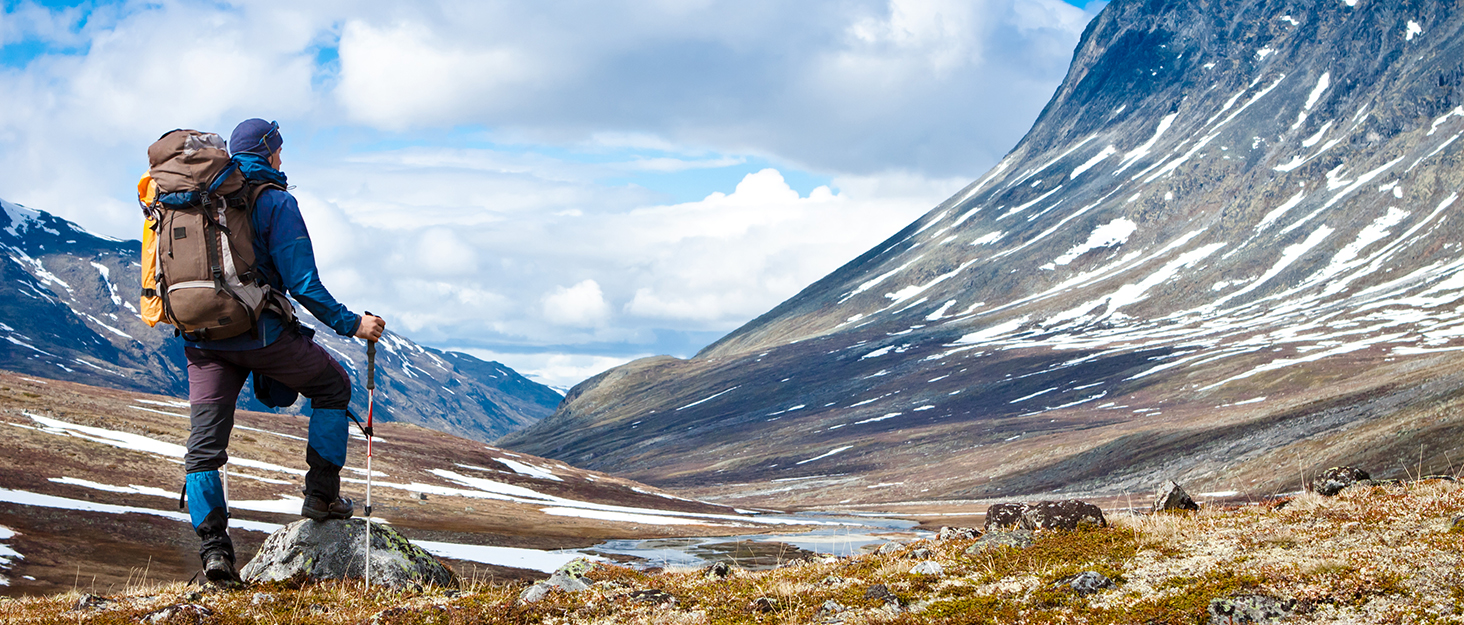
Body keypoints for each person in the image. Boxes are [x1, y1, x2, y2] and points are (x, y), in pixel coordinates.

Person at [182, 118, 386, 583]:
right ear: (268, 151)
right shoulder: (275, 201)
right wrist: (353, 324)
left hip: (203, 340)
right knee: (333, 386)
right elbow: (303, 283)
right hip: (262, 335)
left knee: (204, 450)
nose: (282, 158)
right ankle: (321, 495)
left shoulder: (196, 203)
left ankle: (215, 552)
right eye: (279, 149)